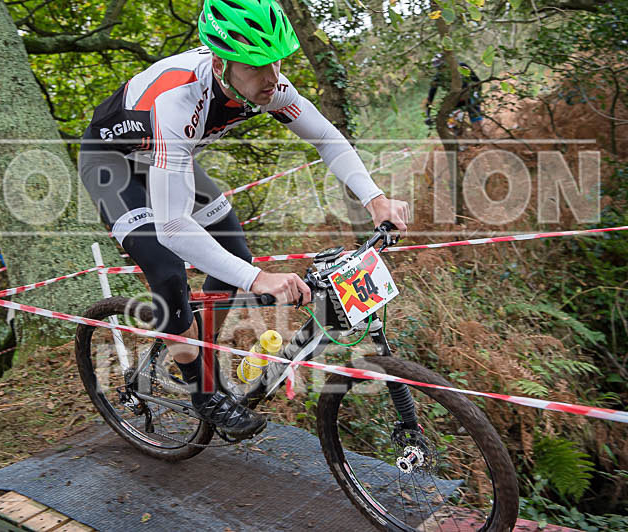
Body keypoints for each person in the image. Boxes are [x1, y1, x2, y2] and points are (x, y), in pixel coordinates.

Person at [80, 0, 409, 439]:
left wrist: (376, 199)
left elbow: (327, 139)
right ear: (221, 63)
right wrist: (258, 280)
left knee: (234, 254)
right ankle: (203, 389)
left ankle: (196, 349)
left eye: (275, 62)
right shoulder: (177, 101)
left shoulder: (270, 87)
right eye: (256, 67)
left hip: (166, 159)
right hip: (113, 165)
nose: (272, 78)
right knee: (167, 268)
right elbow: (174, 226)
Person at [423, 53, 484, 134]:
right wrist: (428, 115)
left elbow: (477, 81)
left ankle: (482, 134)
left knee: (475, 115)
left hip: (469, 94)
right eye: (439, 68)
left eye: (443, 66)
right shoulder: (438, 77)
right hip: (456, 99)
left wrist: (476, 94)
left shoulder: (461, 66)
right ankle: (461, 136)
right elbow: (430, 97)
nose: (442, 69)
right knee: (448, 118)